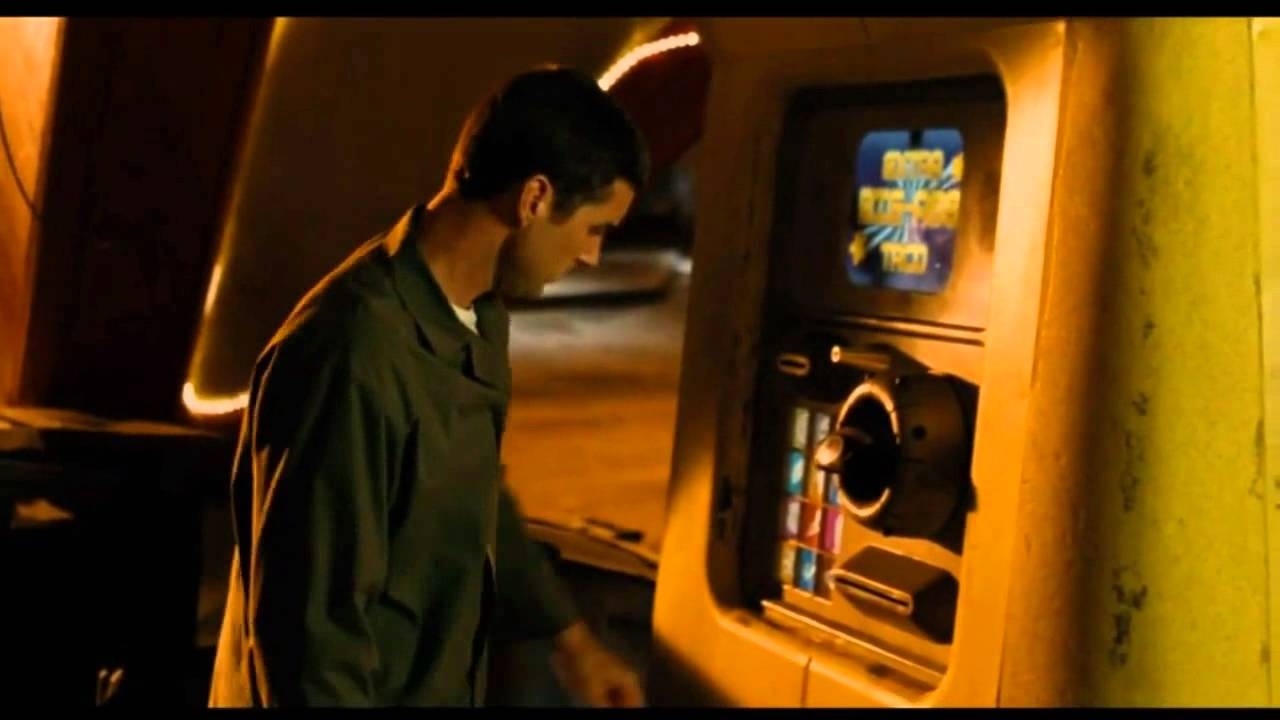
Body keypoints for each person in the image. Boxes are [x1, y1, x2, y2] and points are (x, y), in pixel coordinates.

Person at [208, 65, 649, 708]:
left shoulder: (476, 317)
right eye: (594, 228)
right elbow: (310, 641)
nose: (591, 257)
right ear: (534, 199)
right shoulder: (354, 353)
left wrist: (573, 642)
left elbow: (473, 492)